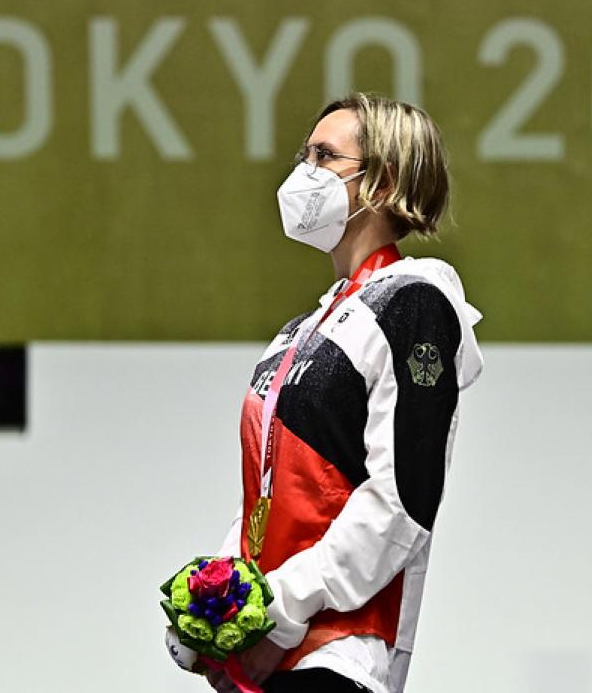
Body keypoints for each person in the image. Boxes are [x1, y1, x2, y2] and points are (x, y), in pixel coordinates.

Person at [199, 92, 484, 693]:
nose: (303, 172)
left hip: (339, 656)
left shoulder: (414, 301)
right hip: (272, 654)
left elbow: (402, 500)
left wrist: (280, 608)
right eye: (305, 153)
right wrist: (218, 608)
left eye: (324, 156)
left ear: (382, 182)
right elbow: (267, 498)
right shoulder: (300, 333)